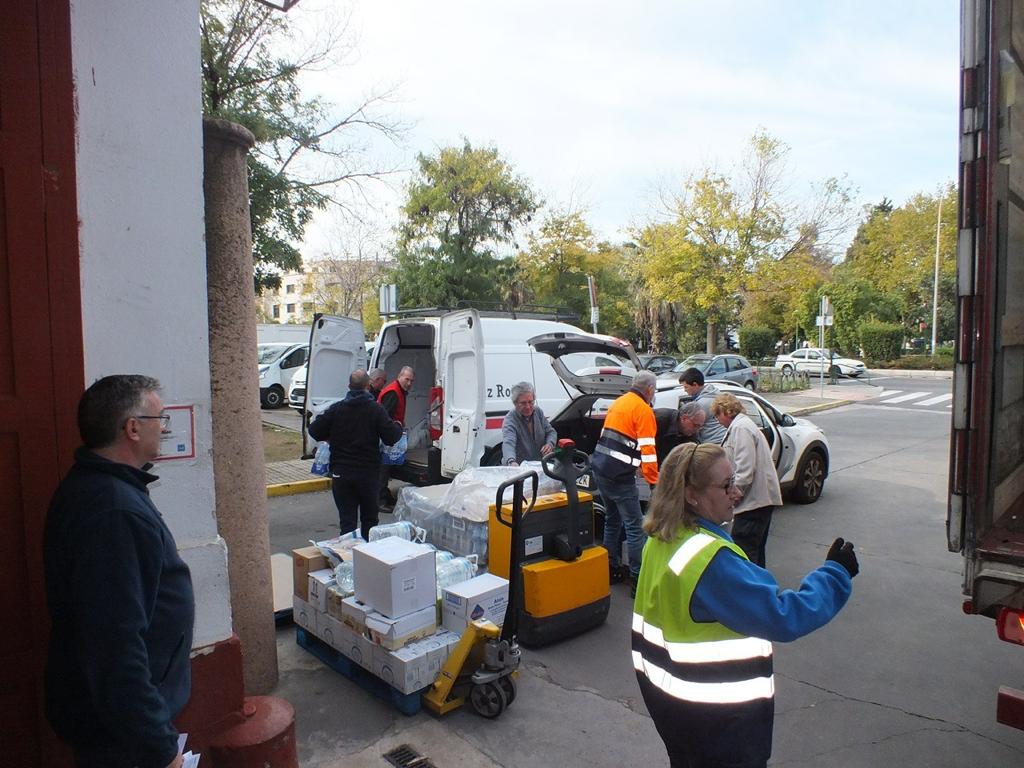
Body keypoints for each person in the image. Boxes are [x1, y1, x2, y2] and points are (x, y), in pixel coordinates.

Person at [633, 442, 858, 768]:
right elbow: (783, 616)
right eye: (726, 486)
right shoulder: (711, 561)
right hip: (722, 727)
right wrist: (834, 575)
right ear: (692, 495)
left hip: (676, 713)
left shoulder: (661, 539)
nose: (736, 492)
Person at [44, 375, 194, 768]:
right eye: (160, 419)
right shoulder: (114, 512)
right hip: (122, 737)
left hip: (115, 723)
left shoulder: (103, 489)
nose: (164, 429)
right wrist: (161, 748)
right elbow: (116, 647)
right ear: (132, 428)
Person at [310, 369, 403, 540]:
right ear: (368, 386)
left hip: (341, 474)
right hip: (367, 475)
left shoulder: (337, 409)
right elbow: (391, 437)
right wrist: (398, 426)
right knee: (369, 521)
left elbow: (314, 430)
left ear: (348, 387)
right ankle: (366, 560)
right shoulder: (376, 410)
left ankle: (347, 560)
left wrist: (330, 436)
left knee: (347, 522)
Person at [590, 370, 659, 595]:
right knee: (635, 527)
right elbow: (648, 450)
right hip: (620, 477)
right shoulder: (643, 410)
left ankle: (610, 568)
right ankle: (638, 579)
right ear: (649, 390)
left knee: (612, 520)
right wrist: (653, 481)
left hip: (601, 469)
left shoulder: (619, 403)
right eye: (654, 390)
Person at [711, 393, 782, 567]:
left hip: (754, 502)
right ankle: (761, 588)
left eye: (717, 415)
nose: (717, 420)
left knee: (745, 548)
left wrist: (735, 492)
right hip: (759, 500)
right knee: (755, 549)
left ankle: (751, 590)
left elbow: (745, 466)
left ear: (725, 411)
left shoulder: (740, 428)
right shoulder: (742, 426)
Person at [376, 366, 415, 506]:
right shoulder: (393, 392)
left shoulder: (398, 390)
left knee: (386, 467)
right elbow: (384, 416)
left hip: (389, 436)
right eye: (407, 379)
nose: (409, 383)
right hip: (386, 437)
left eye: (411, 381)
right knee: (384, 468)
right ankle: (380, 500)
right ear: (400, 376)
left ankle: (384, 495)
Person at [501, 381, 557, 466]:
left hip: (541, 464)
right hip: (521, 468)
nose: (528, 407)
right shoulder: (510, 420)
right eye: (523, 403)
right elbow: (508, 443)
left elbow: (551, 432)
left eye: (530, 402)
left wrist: (549, 444)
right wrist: (511, 461)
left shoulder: (538, 412)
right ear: (515, 403)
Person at [678, 367, 728, 445]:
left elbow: (691, 429)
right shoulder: (715, 395)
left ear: (695, 384)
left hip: (712, 443)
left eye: (686, 387)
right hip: (721, 441)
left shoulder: (702, 404)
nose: (685, 390)